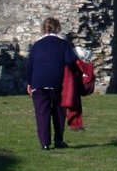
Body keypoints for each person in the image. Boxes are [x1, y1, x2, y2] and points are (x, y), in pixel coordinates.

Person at [27, 17, 77, 150]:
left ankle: (45, 143)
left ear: (44, 28)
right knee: (59, 112)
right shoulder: (63, 44)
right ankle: (59, 140)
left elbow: (30, 65)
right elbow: (70, 61)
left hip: (38, 82)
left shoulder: (37, 45)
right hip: (57, 81)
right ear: (58, 28)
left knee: (42, 113)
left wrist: (29, 83)